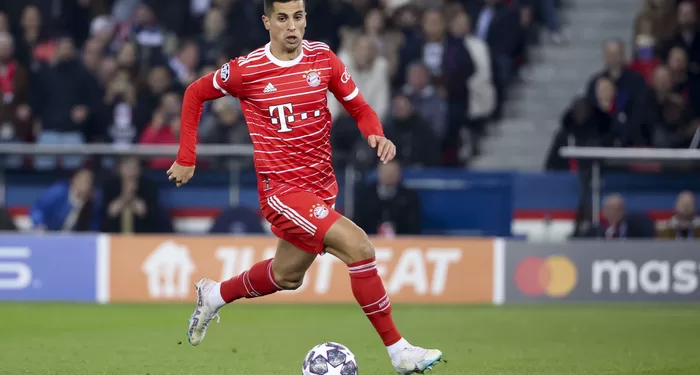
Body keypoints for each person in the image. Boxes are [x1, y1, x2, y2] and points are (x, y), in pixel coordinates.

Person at [165, 1, 442, 373]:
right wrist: (187, 156)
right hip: (282, 192)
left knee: (287, 276)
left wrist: (375, 133)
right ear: (267, 22)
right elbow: (194, 93)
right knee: (360, 248)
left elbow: (360, 107)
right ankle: (399, 352)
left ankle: (213, 295)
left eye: (298, 17)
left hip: (322, 188)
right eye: (282, 18)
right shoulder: (246, 70)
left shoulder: (323, 58)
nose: (292, 26)